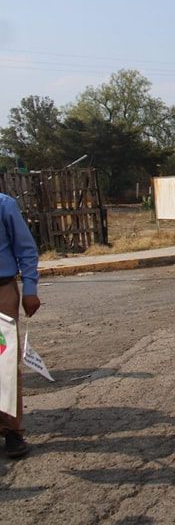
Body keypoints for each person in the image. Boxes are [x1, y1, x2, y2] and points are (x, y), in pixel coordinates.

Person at [0, 192, 41, 459]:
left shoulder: (4, 205)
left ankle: (12, 430)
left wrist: (30, 289)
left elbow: (26, 249)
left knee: (4, 364)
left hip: (2, 292)